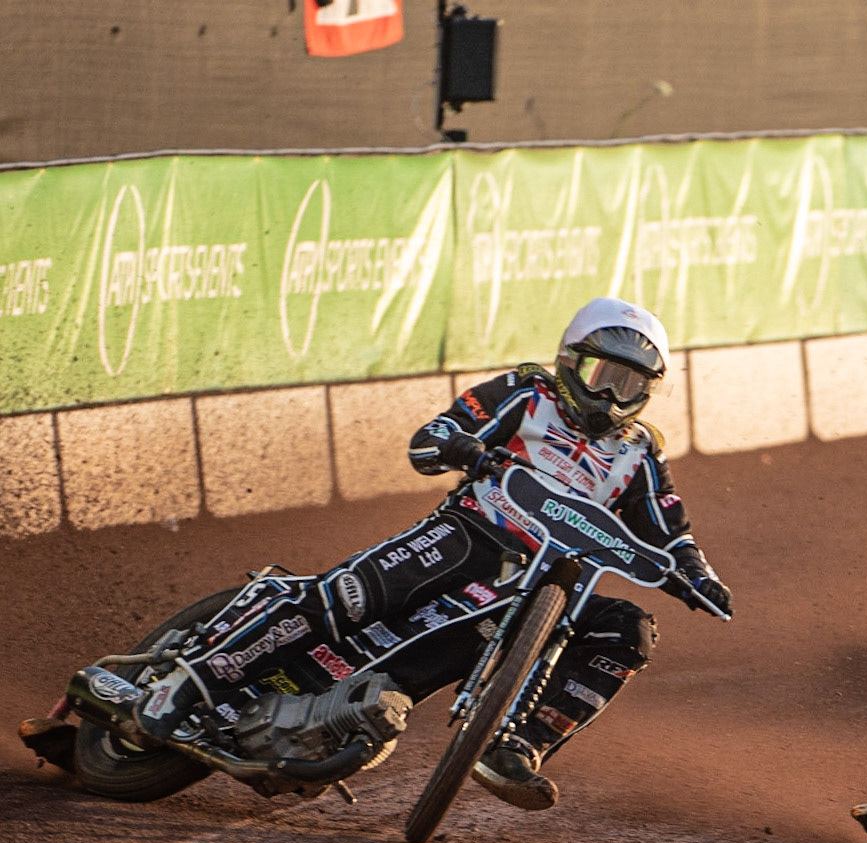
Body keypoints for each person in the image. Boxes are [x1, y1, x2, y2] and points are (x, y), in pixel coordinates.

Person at [129, 297, 731, 811]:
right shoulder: (526, 394)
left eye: (630, 384)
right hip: (466, 536)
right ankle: (185, 683)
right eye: (602, 375)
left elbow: (670, 532)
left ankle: (517, 746)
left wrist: (698, 575)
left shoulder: (639, 454)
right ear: (570, 361)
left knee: (628, 630)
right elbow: (433, 438)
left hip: (536, 592)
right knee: (346, 599)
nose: (610, 395)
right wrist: (465, 450)